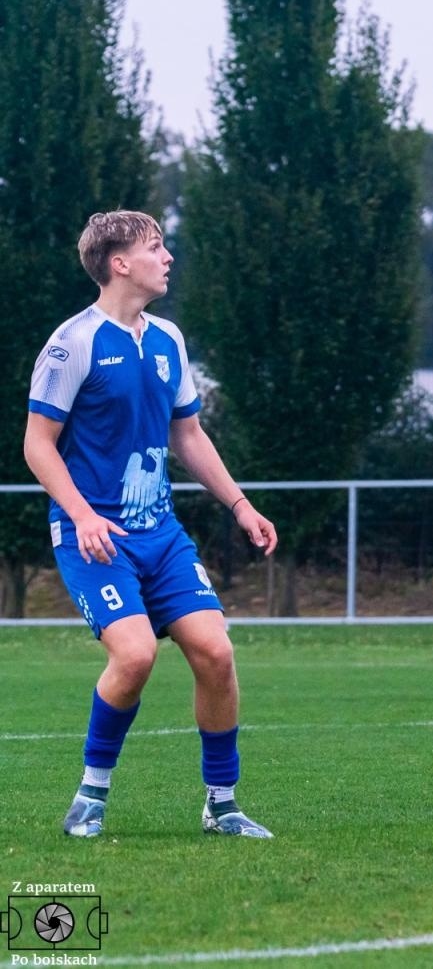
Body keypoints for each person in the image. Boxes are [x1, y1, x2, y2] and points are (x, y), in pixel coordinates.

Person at [25, 211, 278, 840]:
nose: (167, 258)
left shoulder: (168, 338)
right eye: (155, 247)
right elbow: (37, 444)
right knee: (135, 655)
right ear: (119, 264)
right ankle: (90, 797)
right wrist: (82, 514)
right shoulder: (72, 343)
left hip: (160, 535)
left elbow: (187, 434)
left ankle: (222, 805)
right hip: (96, 537)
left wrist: (240, 505)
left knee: (216, 653)